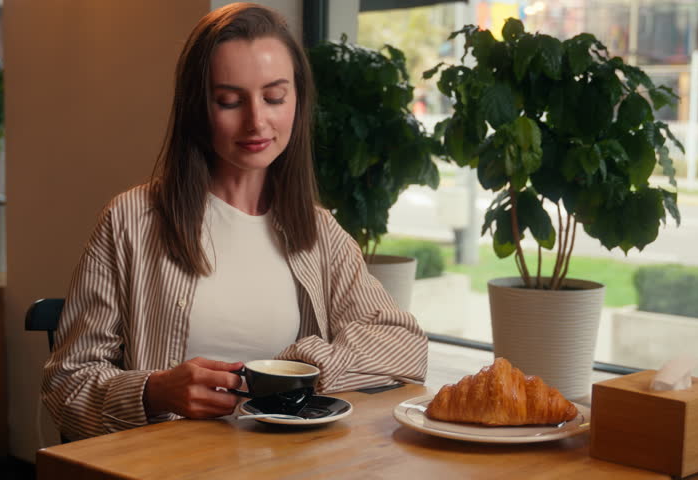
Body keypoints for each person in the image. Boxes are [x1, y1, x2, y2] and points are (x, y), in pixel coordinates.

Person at [42, 2, 428, 441]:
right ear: (197, 107)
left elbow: (407, 347)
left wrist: (310, 364)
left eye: (274, 97)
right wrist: (154, 392)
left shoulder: (319, 234)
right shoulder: (130, 222)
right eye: (229, 101)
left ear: (297, 100)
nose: (256, 121)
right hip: (165, 468)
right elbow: (64, 385)